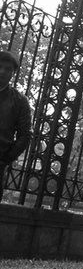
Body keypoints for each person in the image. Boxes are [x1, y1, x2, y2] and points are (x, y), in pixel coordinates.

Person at [0, 50, 32, 190]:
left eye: (8, 69)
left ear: (13, 73)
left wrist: (6, 159)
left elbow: (25, 135)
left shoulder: (20, 101)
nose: (2, 72)